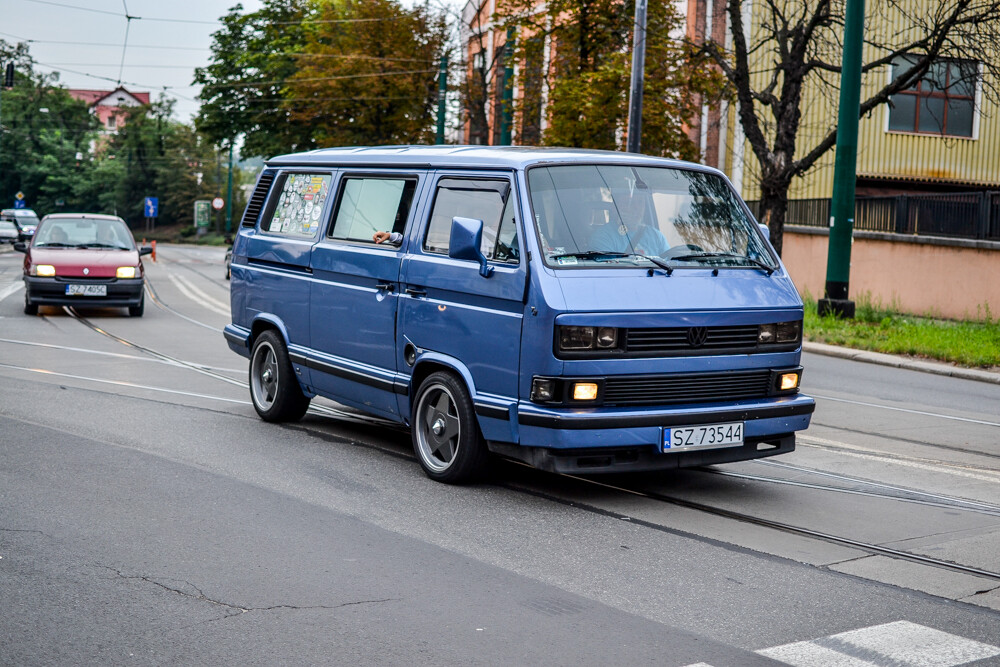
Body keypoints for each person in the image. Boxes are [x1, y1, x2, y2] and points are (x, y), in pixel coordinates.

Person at [589, 186, 669, 257]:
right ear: (616, 207)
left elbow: (670, 264)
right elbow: (608, 271)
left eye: (640, 202)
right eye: (630, 203)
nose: (637, 208)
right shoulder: (604, 236)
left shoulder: (656, 236)